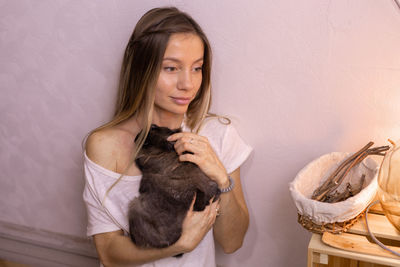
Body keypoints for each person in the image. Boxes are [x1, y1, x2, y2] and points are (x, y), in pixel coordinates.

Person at [83, 7, 252, 267]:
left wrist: (219, 175)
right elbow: (108, 252)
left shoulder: (217, 133)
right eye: (171, 68)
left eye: (197, 68)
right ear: (142, 69)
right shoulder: (105, 145)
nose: (188, 83)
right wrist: (180, 244)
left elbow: (232, 242)